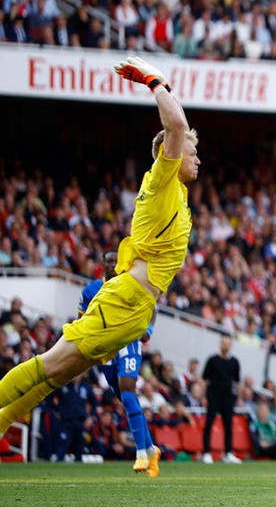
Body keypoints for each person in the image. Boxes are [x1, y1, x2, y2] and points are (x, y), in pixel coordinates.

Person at [0, 57, 200, 447]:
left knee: (59, 375)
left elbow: (179, 124)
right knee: (52, 364)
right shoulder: (162, 179)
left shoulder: (176, 192)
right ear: (170, 154)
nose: (198, 159)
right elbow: (175, 125)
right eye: (192, 153)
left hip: (136, 307)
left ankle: (3, 420)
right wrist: (153, 79)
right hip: (124, 300)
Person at [80, 248, 161, 477]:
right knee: (127, 400)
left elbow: (152, 305)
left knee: (127, 391)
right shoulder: (91, 290)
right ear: (102, 263)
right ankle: (150, 449)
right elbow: (82, 319)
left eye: (117, 260)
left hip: (129, 342)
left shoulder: (131, 282)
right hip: (107, 349)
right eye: (109, 260)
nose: (114, 264)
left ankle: (142, 454)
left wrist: (149, 329)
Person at [201, 335, 242, 464]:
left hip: (228, 397)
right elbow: (204, 379)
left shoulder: (234, 362)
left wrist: (239, 398)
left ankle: (228, 453)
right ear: (220, 344)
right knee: (209, 424)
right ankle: (207, 453)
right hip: (213, 396)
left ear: (231, 345)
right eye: (223, 343)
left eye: (227, 343)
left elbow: (237, 382)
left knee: (228, 426)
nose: (225, 345)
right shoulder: (212, 360)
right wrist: (203, 396)